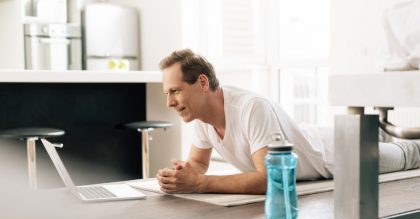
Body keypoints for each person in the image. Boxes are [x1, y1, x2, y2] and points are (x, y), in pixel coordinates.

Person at [156, 48, 420, 195]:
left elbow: (270, 180)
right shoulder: (203, 117)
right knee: (384, 138)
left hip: (337, 155)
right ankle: (382, 135)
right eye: (167, 93)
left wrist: (200, 183)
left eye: (175, 91)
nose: (169, 102)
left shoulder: (250, 108)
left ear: (202, 82)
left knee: (410, 154)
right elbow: (198, 164)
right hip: (313, 137)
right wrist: (181, 176)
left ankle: (389, 141)